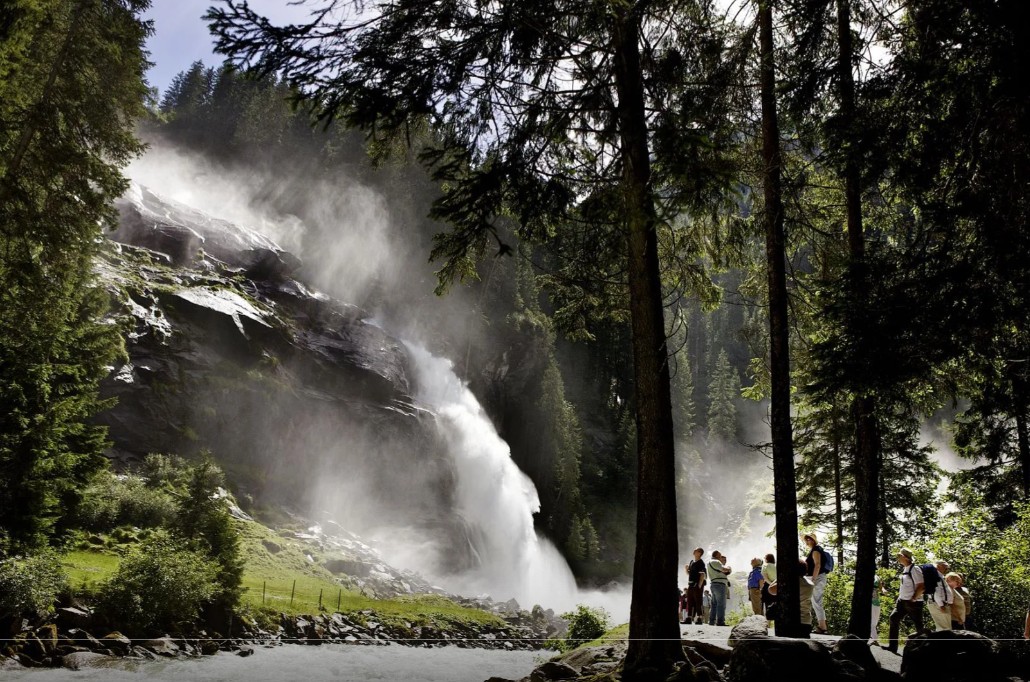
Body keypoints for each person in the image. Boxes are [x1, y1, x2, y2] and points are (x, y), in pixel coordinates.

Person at [886, 547, 926, 654]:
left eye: (899, 556)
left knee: (918, 625)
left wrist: (914, 598)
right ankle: (892, 647)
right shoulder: (906, 569)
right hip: (902, 602)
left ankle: (925, 648)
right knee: (893, 618)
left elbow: (921, 586)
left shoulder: (915, 569)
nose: (898, 558)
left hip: (913, 603)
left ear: (904, 557)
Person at [803, 532, 829, 634]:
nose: (808, 541)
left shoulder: (816, 550)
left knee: (817, 601)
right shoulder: (816, 550)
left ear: (814, 540)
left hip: (817, 578)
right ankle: (822, 626)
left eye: (809, 539)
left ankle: (823, 627)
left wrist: (813, 580)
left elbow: (817, 565)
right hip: (817, 578)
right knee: (815, 602)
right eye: (807, 539)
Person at [706, 550, 732, 626]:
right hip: (719, 585)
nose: (721, 557)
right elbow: (724, 569)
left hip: (714, 584)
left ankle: (711, 621)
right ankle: (720, 622)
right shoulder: (715, 562)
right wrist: (729, 568)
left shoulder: (710, 562)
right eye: (720, 556)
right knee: (721, 604)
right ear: (717, 556)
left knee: (714, 604)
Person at [927, 564, 954, 631]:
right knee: (944, 628)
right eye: (945, 567)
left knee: (946, 627)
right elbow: (936, 592)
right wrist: (941, 605)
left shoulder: (940, 576)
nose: (947, 569)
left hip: (941, 604)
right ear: (938, 566)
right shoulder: (935, 577)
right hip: (938, 604)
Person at [685, 547, 707, 625]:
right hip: (690, 584)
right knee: (690, 601)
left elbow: (702, 574)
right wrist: (686, 569)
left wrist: (699, 585)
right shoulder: (692, 562)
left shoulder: (701, 563)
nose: (694, 551)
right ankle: (689, 617)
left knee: (698, 601)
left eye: (696, 550)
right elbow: (689, 574)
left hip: (697, 585)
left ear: (700, 553)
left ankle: (699, 618)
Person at [871, 573, 887, 644]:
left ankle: (873, 638)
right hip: (866, 602)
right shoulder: (863, 575)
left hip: (875, 601)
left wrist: (884, 591)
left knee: (875, 621)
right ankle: (874, 639)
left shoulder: (877, 577)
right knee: (871, 623)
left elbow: (881, 588)